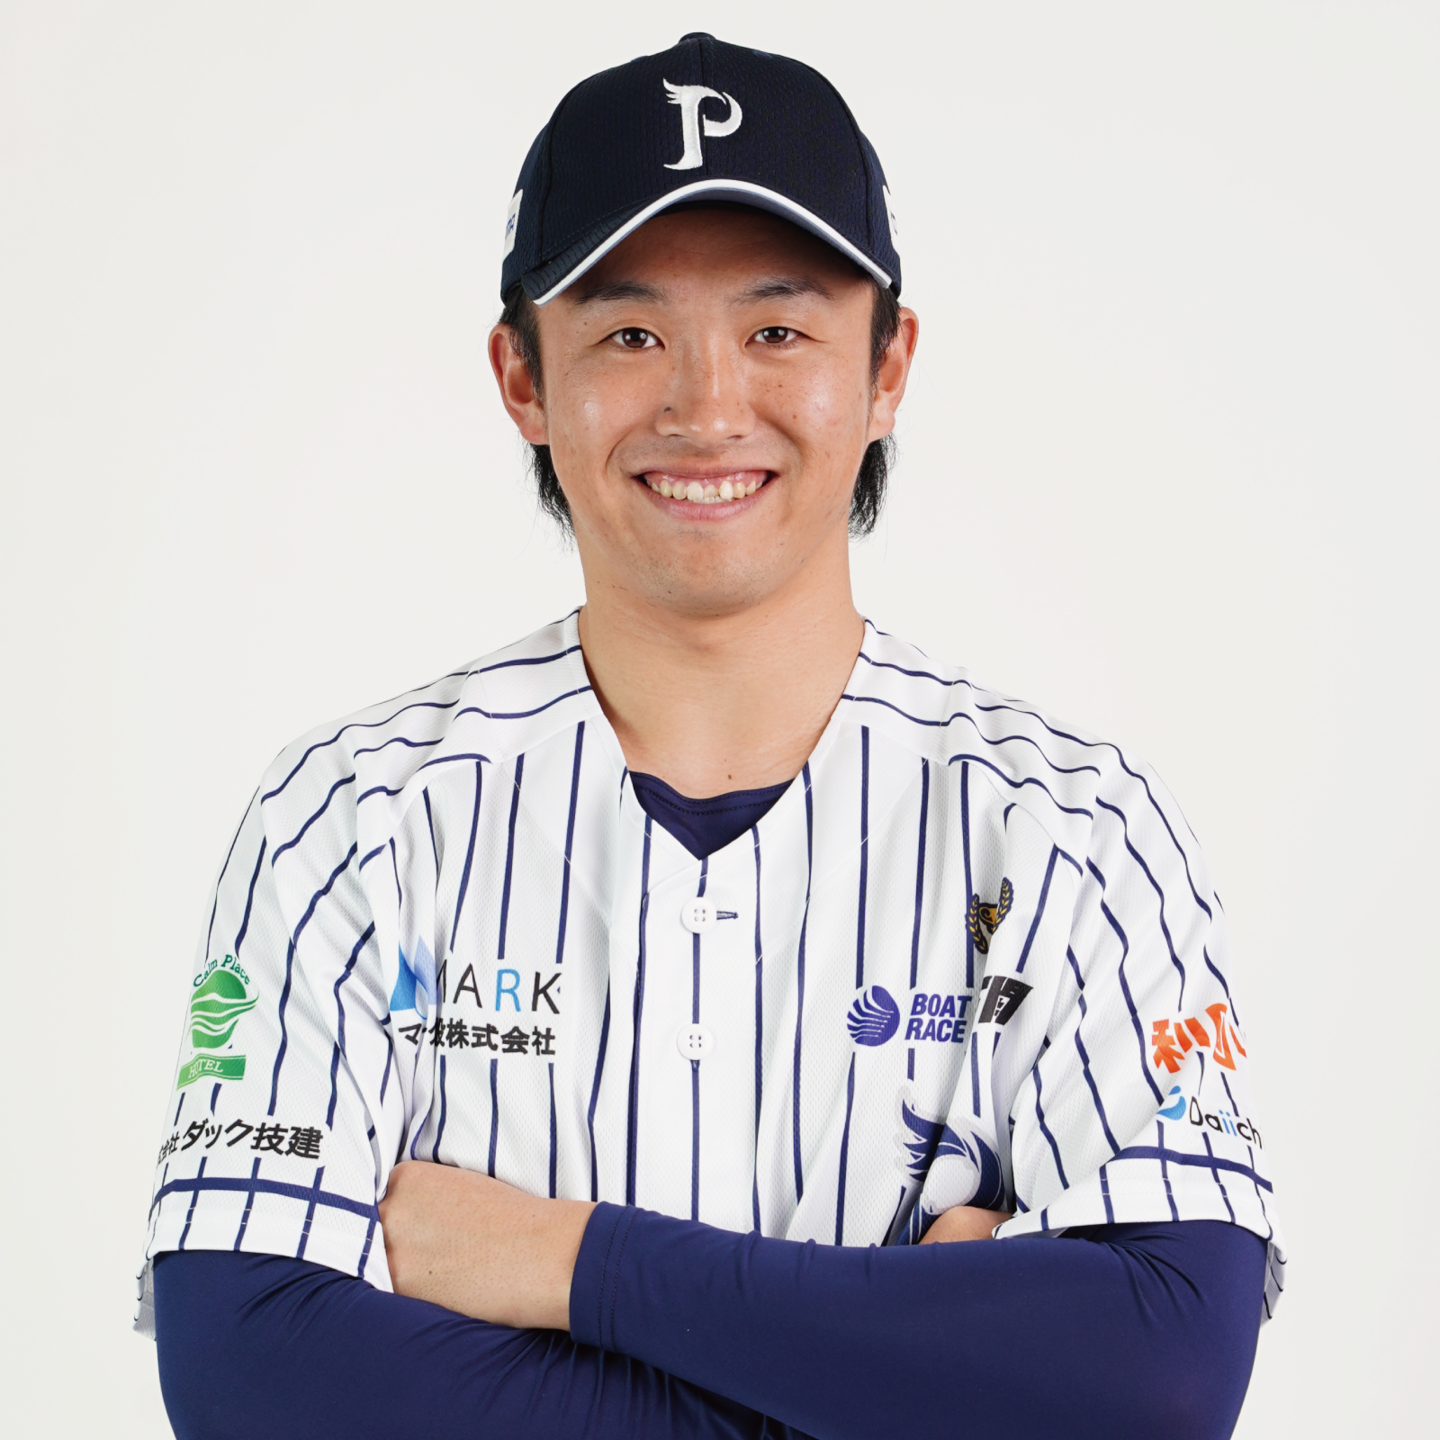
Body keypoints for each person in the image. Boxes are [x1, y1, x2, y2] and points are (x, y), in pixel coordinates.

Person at [139, 33, 1283, 1440]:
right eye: (630, 335)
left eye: (777, 331)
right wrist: (920, 1366)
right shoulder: (355, 821)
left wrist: (565, 1261)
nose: (706, 407)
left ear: (887, 367)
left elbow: (1161, 1377)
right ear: (522, 377)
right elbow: (251, 1381)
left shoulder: (1072, 832)